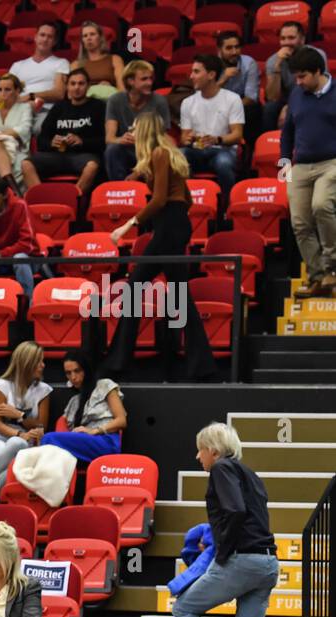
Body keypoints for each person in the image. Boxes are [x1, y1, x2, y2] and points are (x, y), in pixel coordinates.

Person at [172, 422, 278, 617]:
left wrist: (222, 551)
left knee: (184, 607)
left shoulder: (221, 470)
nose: (197, 456)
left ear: (214, 451)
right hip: (268, 564)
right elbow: (246, 514)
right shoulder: (251, 475)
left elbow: (233, 511)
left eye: (201, 449)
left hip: (242, 561)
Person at [102, 112, 218, 382]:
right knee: (155, 292)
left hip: (168, 227)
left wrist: (127, 225)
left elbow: (160, 200)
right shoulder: (163, 154)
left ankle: (119, 362)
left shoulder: (159, 154)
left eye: (134, 127)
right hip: (172, 226)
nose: (131, 130)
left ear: (144, 130)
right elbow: (185, 199)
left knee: (158, 293)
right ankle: (199, 365)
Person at [281, 47, 336, 299]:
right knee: (300, 223)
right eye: (296, 76)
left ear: (318, 72)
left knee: (321, 206)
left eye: (303, 76)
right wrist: (284, 162)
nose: (298, 81)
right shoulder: (297, 94)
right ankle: (318, 277)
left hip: (332, 163)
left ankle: (332, 268)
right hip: (299, 165)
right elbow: (287, 131)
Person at [22, 68, 106, 194]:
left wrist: (82, 141)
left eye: (81, 83)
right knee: (26, 164)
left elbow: (104, 140)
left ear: (88, 86)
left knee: (92, 167)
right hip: (57, 155)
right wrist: (51, 142)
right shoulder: (59, 107)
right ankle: (42, 200)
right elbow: (41, 140)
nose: (76, 87)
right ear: (67, 86)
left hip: (84, 156)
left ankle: (73, 200)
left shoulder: (98, 106)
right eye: (73, 84)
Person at [0, 340, 50, 490]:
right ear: (27, 362)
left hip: (27, 441)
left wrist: (20, 415)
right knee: (16, 447)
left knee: (17, 449)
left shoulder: (43, 390)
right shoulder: (1, 386)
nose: (43, 365)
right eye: (39, 361)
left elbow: (41, 425)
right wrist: (20, 433)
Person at [40, 350, 126, 464]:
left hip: (105, 441)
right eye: (68, 373)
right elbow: (63, 430)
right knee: (47, 448)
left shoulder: (105, 385)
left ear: (86, 369)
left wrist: (94, 431)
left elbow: (121, 421)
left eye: (77, 371)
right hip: (82, 446)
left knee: (48, 439)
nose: (73, 377)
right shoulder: (74, 401)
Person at [179, 55, 244, 195]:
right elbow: (183, 137)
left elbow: (237, 135)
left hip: (222, 149)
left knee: (223, 162)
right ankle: (188, 203)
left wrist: (217, 139)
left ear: (211, 75)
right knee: (178, 157)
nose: (191, 76)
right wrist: (187, 139)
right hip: (196, 150)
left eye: (196, 72)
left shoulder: (232, 99)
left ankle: (227, 208)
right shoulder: (187, 102)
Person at [104, 60, 170, 182]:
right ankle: (120, 189)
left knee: (161, 152)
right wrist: (121, 139)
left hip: (150, 151)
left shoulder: (159, 101)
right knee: (112, 149)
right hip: (127, 149)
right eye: (144, 79)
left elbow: (163, 139)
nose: (150, 83)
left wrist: (139, 170)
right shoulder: (115, 100)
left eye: (151, 78)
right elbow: (109, 138)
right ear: (131, 81)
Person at [265, 21, 328, 131]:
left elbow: (323, 88)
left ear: (302, 39)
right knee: (270, 108)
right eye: (283, 38)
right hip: (284, 101)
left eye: (291, 38)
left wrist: (291, 105)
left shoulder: (316, 55)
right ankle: (270, 142)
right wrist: (277, 66)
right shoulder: (273, 60)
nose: (286, 42)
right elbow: (272, 97)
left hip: (312, 96)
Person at [10, 22, 69, 136]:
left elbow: (59, 93)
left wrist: (31, 96)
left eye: (50, 36)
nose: (45, 39)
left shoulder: (61, 63)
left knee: (42, 128)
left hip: (45, 110)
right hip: (19, 110)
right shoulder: (17, 65)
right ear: (35, 37)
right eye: (42, 35)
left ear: (55, 42)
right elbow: (7, 92)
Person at [217, 30, 262, 143]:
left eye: (237, 47)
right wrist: (223, 80)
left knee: (254, 109)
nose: (234, 52)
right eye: (229, 48)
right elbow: (205, 95)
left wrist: (231, 110)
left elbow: (251, 97)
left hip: (242, 104)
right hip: (217, 105)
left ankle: (249, 150)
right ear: (219, 50)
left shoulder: (248, 63)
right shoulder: (211, 65)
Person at [73, 21, 122, 99]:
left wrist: (108, 89)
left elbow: (122, 89)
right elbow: (71, 93)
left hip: (109, 100)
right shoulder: (76, 64)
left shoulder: (115, 59)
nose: (88, 38)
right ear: (82, 41)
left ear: (100, 38)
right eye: (85, 36)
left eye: (92, 34)